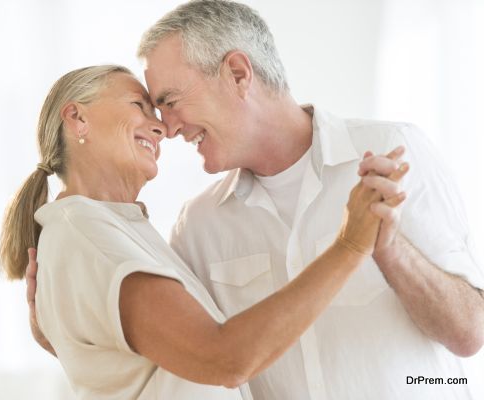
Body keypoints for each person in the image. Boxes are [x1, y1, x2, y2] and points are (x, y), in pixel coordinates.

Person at [24, 1, 484, 399]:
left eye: (169, 100)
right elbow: (199, 353)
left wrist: (391, 250)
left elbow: (471, 332)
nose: (168, 126)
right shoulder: (198, 226)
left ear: (239, 74)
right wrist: (69, 332)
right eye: (151, 108)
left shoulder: (391, 153)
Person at [0, 65, 407, 399]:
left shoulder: (109, 230)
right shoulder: (88, 234)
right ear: (77, 117)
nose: (161, 129)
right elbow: (224, 359)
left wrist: (63, 340)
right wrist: (351, 245)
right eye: (139, 105)